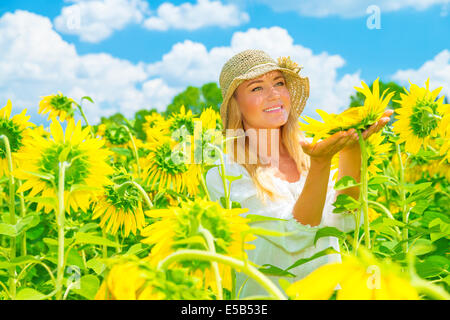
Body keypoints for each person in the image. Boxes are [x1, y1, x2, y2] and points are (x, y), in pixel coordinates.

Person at [205, 49, 393, 298]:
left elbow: (345, 221)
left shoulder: (308, 152)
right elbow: (293, 236)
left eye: (279, 83)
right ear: (235, 104)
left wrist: (352, 147)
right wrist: (322, 164)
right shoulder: (225, 172)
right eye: (257, 88)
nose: (274, 95)